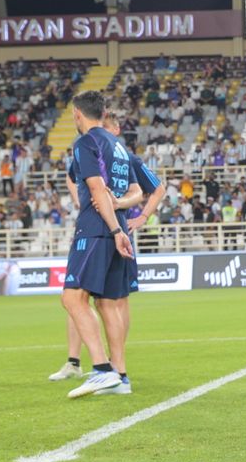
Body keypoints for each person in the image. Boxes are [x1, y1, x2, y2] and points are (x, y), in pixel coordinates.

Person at [50, 113, 165, 383]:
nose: (108, 134)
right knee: (94, 300)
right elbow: (76, 178)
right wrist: (84, 199)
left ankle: (107, 367)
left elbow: (151, 189)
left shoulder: (117, 152)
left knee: (87, 298)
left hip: (106, 228)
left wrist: (126, 209)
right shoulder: (108, 151)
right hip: (113, 227)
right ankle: (94, 365)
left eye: (111, 129)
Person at [61, 91, 139, 399]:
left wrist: (113, 228)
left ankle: (101, 370)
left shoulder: (85, 143)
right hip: (115, 227)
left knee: (72, 299)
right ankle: (121, 377)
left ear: (78, 114)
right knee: (107, 303)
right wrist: (119, 223)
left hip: (96, 228)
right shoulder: (117, 145)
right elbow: (135, 191)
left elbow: (95, 188)